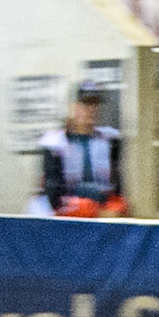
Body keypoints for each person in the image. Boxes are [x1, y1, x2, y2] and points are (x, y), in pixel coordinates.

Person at [37, 83, 125, 217]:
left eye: (95, 104)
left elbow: (117, 186)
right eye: (85, 104)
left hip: (104, 213)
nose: (91, 110)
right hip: (67, 215)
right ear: (72, 107)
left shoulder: (110, 140)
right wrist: (94, 210)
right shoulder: (55, 142)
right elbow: (54, 195)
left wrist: (115, 207)